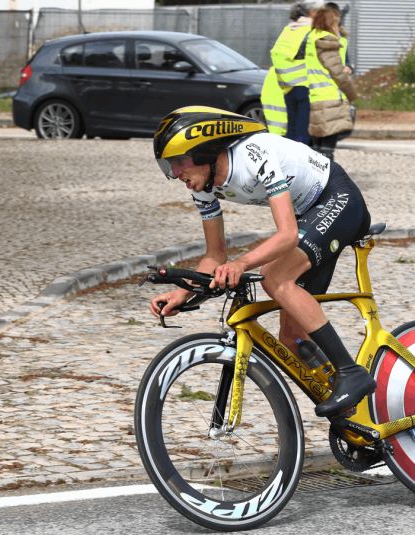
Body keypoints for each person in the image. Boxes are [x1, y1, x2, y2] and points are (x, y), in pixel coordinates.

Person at [150, 105, 375, 417]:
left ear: (203, 151)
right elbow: (215, 256)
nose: (176, 174)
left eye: (179, 162)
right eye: (169, 166)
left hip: (336, 199)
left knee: (275, 277)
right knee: (293, 339)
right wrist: (182, 293)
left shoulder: (255, 154)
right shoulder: (202, 186)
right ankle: (358, 420)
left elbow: (287, 235)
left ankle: (352, 373)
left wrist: (242, 264)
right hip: (310, 216)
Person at [269, 0, 324, 145]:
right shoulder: (312, 31)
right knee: (302, 128)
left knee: (292, 126)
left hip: (287, 84)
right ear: (313, 12)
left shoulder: (289, 30)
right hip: (305, 83)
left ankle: (289, 159)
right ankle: (300, 159)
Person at [306, 6, 357, 161]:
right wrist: (352, 94)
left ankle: (313, 183)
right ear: (330, 23)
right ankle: (327, 183)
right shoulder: (327, 42)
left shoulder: (311, 38)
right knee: (327, 152)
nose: (338, 26)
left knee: (316, 150)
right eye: (336, 23)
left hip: (314, 97)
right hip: (331, 100)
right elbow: (338, 73)